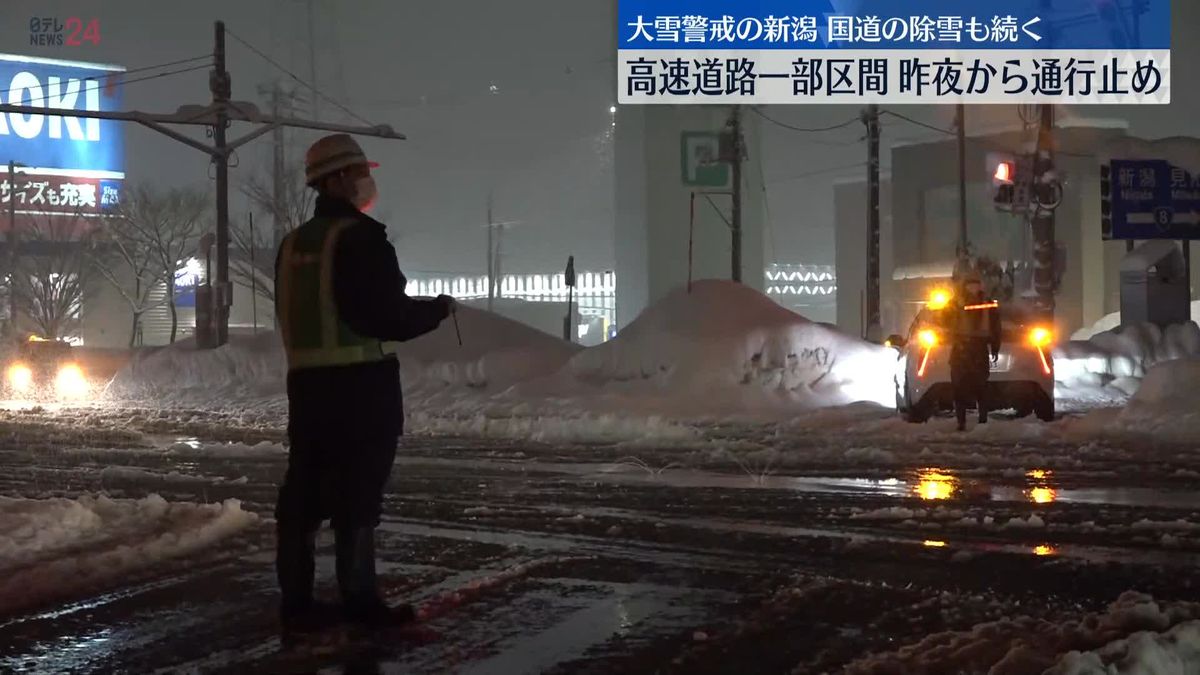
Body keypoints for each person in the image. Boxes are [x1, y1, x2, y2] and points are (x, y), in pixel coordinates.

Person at [273, 133, 455, 638]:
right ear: (336, 180)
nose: (364, 181)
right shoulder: (362, 239)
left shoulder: (294, 245)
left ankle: (298, 603)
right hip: (361, 391)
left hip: (307, 392)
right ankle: (359, 601)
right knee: (357, 498)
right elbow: (387, 317)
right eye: (357, 171)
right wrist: (436, 310)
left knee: (304, 497)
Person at [949, 274, 1002, 432]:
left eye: (975, 284)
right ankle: (962, 422)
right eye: (970, 284)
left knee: (980, 387)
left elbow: (995, 327)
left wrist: (995, 347)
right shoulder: (955, 303)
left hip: (977, 349)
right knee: (960, 387)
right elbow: (945, 322)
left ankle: (982, 420)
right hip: (961, 349)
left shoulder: (987, 303)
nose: (973, 288)